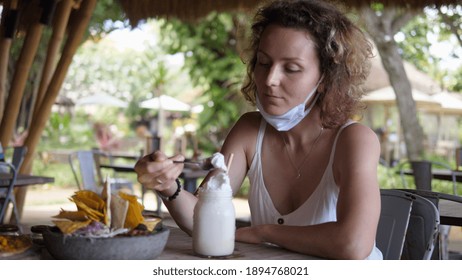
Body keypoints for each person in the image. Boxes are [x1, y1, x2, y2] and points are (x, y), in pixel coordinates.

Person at [135, 0, 382, 260]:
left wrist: (265, 233)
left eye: (291, 68)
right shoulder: (250, 130)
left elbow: (353, 244)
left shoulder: (354, 140)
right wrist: (167, 186)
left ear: (325, 79)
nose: (270, 80)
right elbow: (204, 219)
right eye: (264, 63)